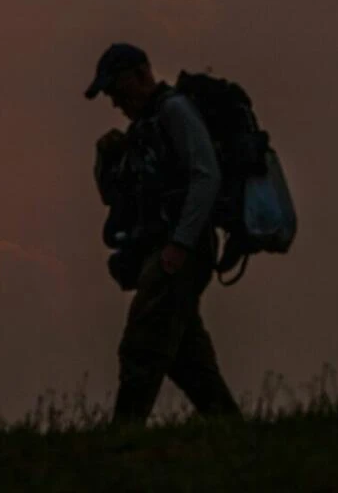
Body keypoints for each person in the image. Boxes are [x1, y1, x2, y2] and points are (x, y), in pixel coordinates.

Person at [84, 43, 242, 426]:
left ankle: (124, 434)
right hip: (165, 247)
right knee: (188, 358)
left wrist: (180, 243)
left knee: (143, 341)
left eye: (117, 89)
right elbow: (119, 198)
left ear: (141, 74)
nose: (115, 101)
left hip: (181, 249)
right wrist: (106, 161)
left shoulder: (174, 111)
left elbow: (206, 175)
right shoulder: (143, 128)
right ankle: (230, 428)